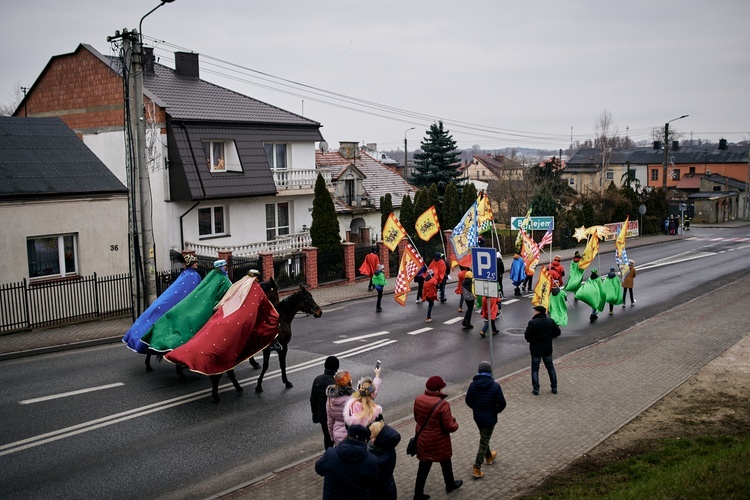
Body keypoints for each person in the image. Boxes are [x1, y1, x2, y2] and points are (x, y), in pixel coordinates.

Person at [123, 253, 202, 354]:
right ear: (191, 264)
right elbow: (196, 292)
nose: (197, 264)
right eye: (195, 262)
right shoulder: (193, 276)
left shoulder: (184, 274)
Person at [413, 376, 463, 499]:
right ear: (439, 389)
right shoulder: (443, 404)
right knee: (445, 461)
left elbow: (417, 418)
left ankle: (418, 493)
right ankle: (450, 484)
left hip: (423, 439)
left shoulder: (418, 399)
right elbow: (449, 426)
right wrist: (455, 422)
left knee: (424, 465)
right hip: (439, 440)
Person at [465, 361, 507, 479]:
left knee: (484, 438)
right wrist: (495, 411)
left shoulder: (473, 385)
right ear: (490, 372)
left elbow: (468, 401)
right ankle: (477, 468)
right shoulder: (495, 386)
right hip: (490, 418)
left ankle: (489, 457)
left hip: (478, 417)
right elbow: (502, 403)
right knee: (483, 441)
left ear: (479, 371)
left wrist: (476, 408)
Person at [315, 424, 378, 500]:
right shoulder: (371, 461)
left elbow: (318, 468)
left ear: (347, 435)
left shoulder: (330, 454)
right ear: (365, 440)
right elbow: (373, 482)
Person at [524, 305, 561, 395]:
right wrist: (549, 337)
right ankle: (554, 387)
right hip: (547, 348)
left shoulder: (532, 323)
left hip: (535, 349)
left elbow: (527, 336)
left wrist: (532, 341)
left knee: (535, 369)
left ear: (538, 312)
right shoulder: (550, 321)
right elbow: (558, 332)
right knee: (550, 367)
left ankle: (536, 389)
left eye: (535, 311)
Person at [310, 356, 340, 450]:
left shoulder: (317, 380)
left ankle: (328, 454)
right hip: (334, 418)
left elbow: (313, 399)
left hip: (322, 416)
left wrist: (315, 415)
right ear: (336, 368)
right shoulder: (335, 383)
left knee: (327, 437)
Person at [368, 420, 401, 500]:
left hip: (380, 492)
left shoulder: (378, 459)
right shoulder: (387, 446)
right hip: (388, 486)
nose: (370, 437)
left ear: (379, 439)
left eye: (373, 436)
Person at [326, 370, 355, 445]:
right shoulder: (352, 398)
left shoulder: (330, 398)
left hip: (337, 434)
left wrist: (332, 436)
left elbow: (330, 421)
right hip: (351, 434)